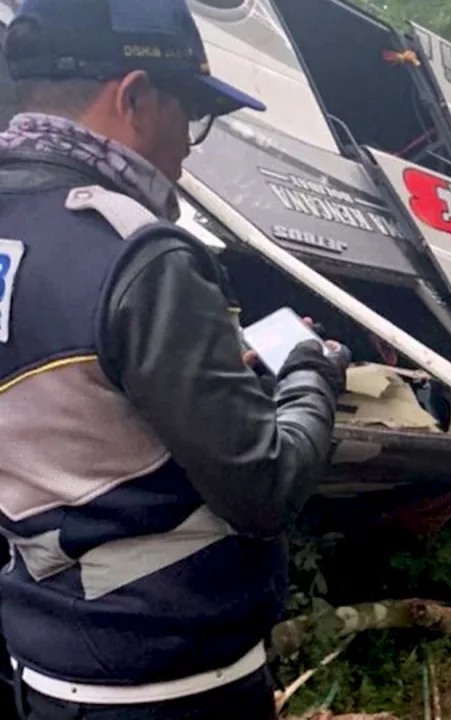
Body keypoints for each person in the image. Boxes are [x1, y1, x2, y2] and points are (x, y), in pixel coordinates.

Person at [0, 0, 350, 717]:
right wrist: (310, 370)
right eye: (189, 112)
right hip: (176, 684)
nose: (189, 146)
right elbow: (263, 488)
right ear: (133, 96)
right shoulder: (139, 255)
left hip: (47, 670)